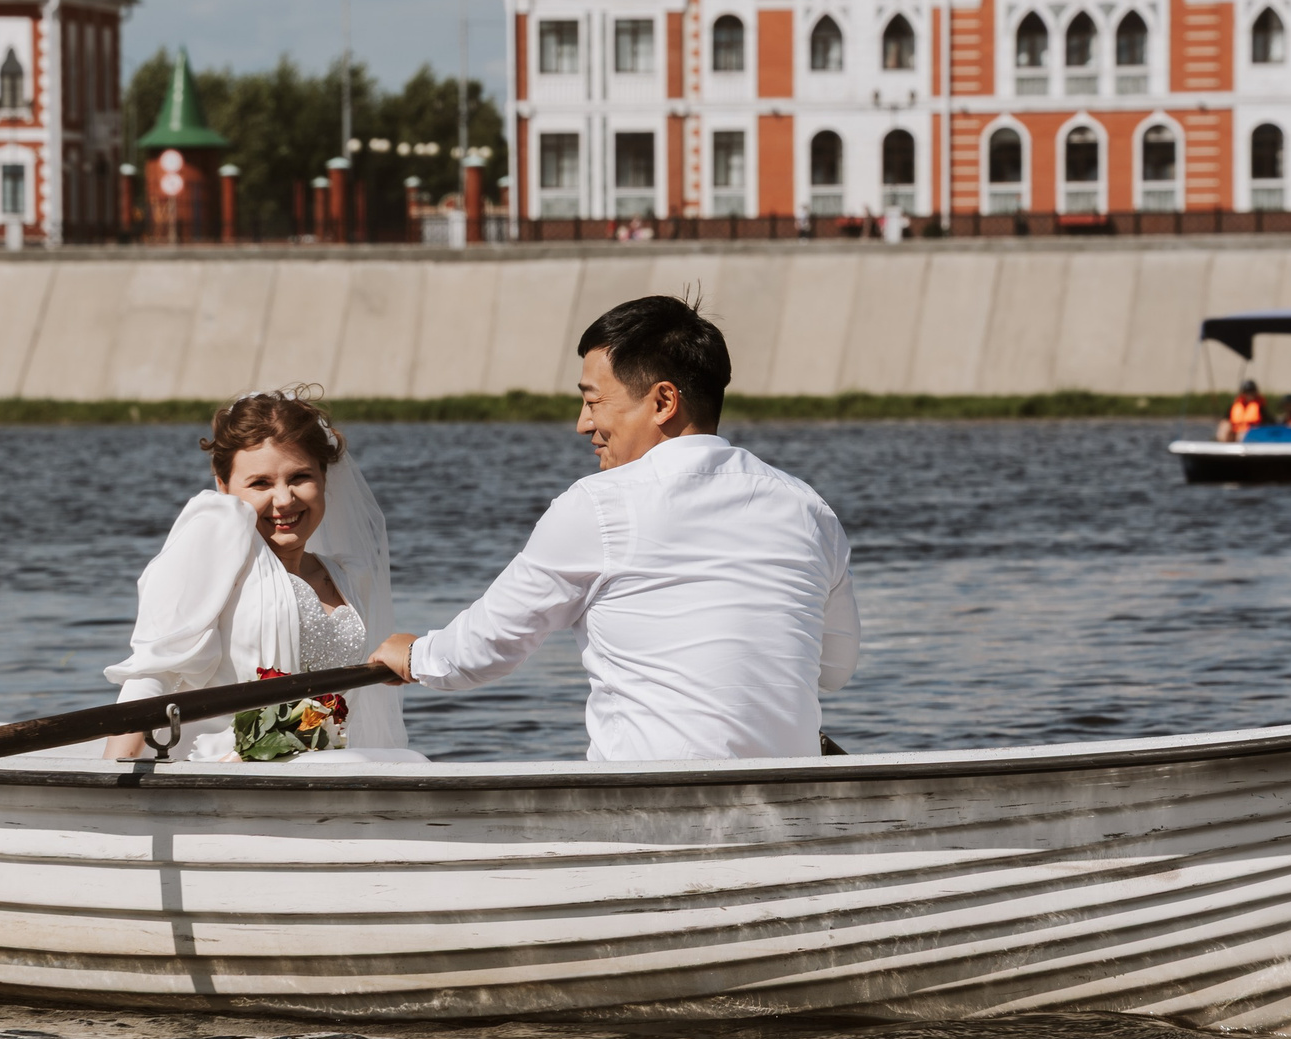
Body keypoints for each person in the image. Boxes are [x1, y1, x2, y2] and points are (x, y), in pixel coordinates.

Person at [370, 295, 858, 761]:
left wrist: (414, 656)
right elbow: (834, 670)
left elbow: (482, 650)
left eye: (593, 401)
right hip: (791, 796)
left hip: (652, 806)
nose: (583, 424)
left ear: (663, 402)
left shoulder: (597, 506)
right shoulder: (809, 508)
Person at [104, 389, 410, 761]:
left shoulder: (348, 574)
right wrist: (113, 777)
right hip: (222, 773)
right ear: (223, 486)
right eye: (260, 483)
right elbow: (153, 676)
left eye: (300, 477)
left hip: (323, 771)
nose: (284, 500)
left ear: (324, 478)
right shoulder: (212, 544)